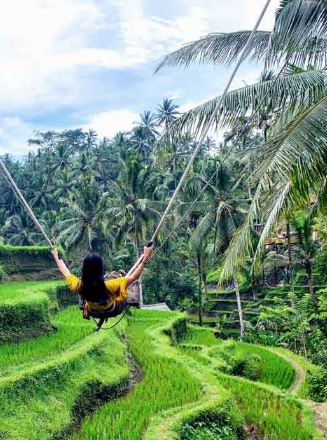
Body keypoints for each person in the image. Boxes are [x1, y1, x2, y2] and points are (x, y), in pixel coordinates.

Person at [51, 245, 153, 319]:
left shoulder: (79, 285)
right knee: (122, 287)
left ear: (84, 269)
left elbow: (65, 272)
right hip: (113, 310)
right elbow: (135, 276)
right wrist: (145, 258)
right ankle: (119, 275)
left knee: (118, 282)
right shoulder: (111, 285)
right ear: (101, 269)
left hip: (93, 312)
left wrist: (56, 256)